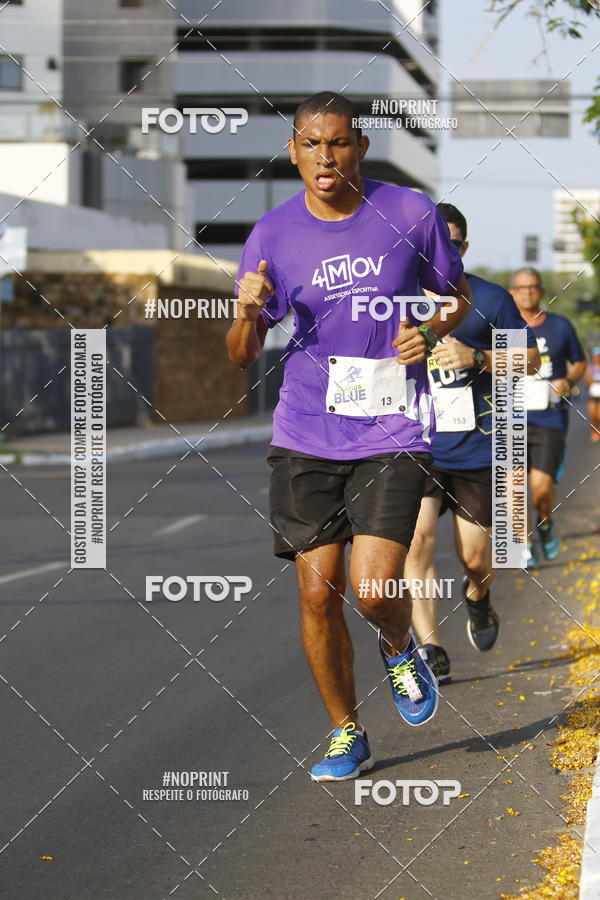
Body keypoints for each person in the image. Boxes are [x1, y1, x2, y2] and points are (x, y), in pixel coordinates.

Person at [226, 91, 471, 782]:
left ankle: (398, 642)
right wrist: (246, 311)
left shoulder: (410, 213)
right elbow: (243, 352)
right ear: (293, 151)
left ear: (361, 147)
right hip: (305, 429)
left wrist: (429, 331)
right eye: (311, 144)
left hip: (392, 424)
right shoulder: (272, 235)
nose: (325, 158)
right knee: (315, 592)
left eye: (338, 143)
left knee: (371, 588)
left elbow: (457, 297)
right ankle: (346, 733)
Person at [404, 205, 539, 683]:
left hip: (477, 449)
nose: (445, 253)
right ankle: (431, 647)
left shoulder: (490, 298)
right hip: (414, 445)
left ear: (464, 248)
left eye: (454, 245)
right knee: (416, 540)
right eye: (435, 244)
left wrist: (477, 356)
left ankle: (478, 599)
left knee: (477, 558)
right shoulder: (393, 298)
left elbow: (532, 362)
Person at [509, 268, 586, 566]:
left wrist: (568, 379)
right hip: (510, 417)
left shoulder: (560, 327)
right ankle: (525, 546)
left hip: (549, 417)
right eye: (521, 287)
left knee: (540, 488)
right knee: (515, 486)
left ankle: (545, 521)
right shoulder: (500, 327)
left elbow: (579, 362)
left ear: (541, 291)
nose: (527, 292)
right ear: (512, 292)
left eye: (533, 287)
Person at [585, 346, 600, 442]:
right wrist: (592, 378)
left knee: (599, 415)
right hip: (592, 395)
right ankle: (594, 430)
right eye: (595, 356)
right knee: (592, 415)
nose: (597, 358)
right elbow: (586, 382)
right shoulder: (590, 368)